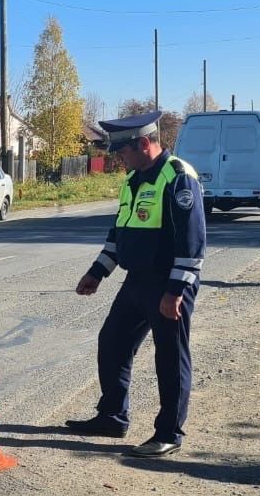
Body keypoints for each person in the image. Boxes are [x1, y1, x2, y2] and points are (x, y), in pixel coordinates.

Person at [68, 111, 207, 458]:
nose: (119, 159)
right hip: (136, 282)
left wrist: (175, 292)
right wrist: (97, 273)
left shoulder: (178, 177)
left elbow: (192, 243)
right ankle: (112, 417)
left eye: (122, 152)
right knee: (112, 342)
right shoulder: (133, 180)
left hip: (168, 283)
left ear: (144, 144)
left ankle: (169, 433)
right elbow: (120, 234)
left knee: (170, 358)